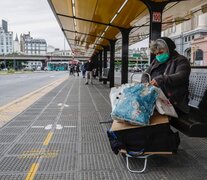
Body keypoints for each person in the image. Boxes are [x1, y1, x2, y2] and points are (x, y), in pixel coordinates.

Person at [141, 37, 191, 116]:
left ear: (169, 49)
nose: (158, 56)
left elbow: (181, 76)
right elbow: (145, 74)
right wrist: (146, 83)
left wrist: (161, 79)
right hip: (156, 98)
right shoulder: (156, 61)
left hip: (173, 101)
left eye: (160, 52)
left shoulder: (181, 60)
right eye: (156, 54)